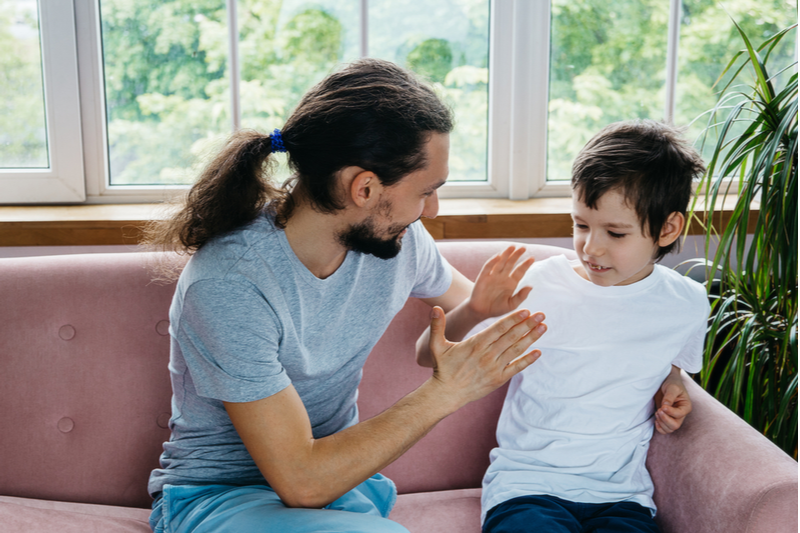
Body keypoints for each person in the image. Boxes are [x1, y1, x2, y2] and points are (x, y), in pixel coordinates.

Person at [144, 58, 550, 533]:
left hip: (343, 489)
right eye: (427, 191)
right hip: (222, 498)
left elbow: (493, 315)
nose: (433, 211)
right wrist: (448, 391)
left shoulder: (400, 241)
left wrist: (661, 371)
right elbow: (301, 481)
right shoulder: (230, 284)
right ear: (364, 187)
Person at [416, 120, 709, 533]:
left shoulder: (687, 304)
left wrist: (674, 384)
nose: (592, 248)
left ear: (668, 228)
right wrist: (476, 309)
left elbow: (670, 364)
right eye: (581, 225)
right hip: (527, 487)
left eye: (615, 232)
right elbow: (430, 356)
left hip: (622, 496)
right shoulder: (539, 285)